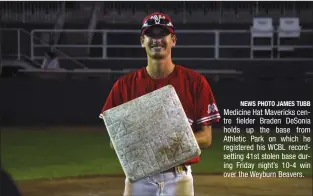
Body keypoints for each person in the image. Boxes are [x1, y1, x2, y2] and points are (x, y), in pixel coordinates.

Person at [100, 12, 220, 196]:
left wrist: (163, 143)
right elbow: (114, 141)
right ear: (142, 41)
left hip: (179, 177)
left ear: (173, 40)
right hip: (138, 179)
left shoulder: (194, 82)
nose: (157, 40)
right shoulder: (124, 85)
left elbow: (206, 138)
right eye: (151, 35)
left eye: (162, 34)